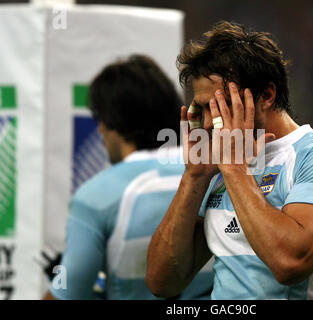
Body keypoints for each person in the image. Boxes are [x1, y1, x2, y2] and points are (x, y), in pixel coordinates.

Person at [146, 21, 313, 300]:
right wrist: (195, 176)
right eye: (201, 109)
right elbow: (162, 282)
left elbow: (290, 263)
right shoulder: (216, 169)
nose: (206, 123)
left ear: (266, 95)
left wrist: (235, 170)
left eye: (218, 106)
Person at [44, 55, 213, 300]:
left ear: (110, 122)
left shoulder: (95, 196)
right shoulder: (215, 174)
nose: (99, 130)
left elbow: (68, 294)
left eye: (99, 120)